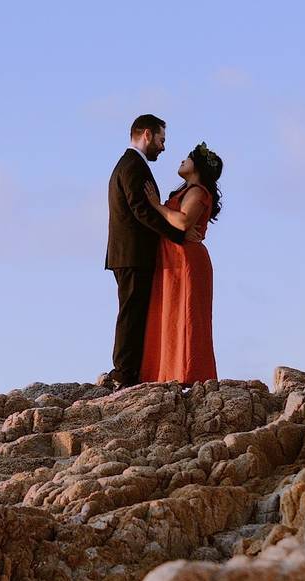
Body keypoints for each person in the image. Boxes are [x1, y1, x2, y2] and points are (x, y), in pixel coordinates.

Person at [105, 115, 203, 390]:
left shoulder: (131, 164)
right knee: (132, 312)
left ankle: (130, 370)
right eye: (161, 140)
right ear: (146, 135)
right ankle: (124, 373)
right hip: (132, 254)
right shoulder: (132, 165)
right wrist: (178, 235)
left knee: (135, 311)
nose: (163, 147)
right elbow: (141, 209)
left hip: (130, 253)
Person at [139, 141, 223, 385]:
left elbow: (183, 222)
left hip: (187, 260)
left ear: (198, 166)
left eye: (188, 157)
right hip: (173, 257)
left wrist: (155, 205)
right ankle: (170, 372)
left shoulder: (198, 192)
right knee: (171, 312)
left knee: (186, 314)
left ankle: (189, 372)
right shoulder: (186, 191)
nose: (182, 160)